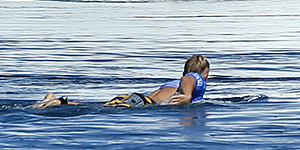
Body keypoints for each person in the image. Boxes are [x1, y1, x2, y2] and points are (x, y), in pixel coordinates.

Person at [33, 55, 212, 109]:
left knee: (98, 107)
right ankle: (56, 102)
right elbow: (190, 78)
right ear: (206, 75)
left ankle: (58, 101)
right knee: (99, 109)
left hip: (136, 98)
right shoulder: (195, 80)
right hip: (140, 102)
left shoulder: (170, 84)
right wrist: (188, 95)